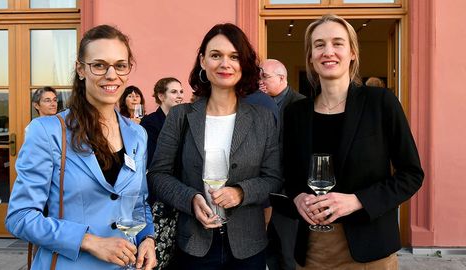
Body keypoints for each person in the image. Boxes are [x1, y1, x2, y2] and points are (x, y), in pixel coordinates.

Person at [5, 25, 156, 269]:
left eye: (120, 65)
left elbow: (138, 203)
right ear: (80, 69)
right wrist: (89, 241)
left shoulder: (137, 134)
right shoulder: (48, 131)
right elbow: (20, 217)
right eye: (99, 65)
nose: (111, 75)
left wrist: (147, 237)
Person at [283, 14, 424, 269]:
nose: (328, 52)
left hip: (372, 251)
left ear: (352, 54)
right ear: (311, 57)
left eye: (338, 43)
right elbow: (289, 177)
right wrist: (297, 198)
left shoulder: (380, 103)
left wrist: (357, 200)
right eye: (319, 45)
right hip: (313, 251)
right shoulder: (296, 113)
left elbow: (411, 175)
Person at [148, 23, 282, 269]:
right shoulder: (181, 116)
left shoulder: (261, 118)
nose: (225, 64)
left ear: (244, 64)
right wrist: (190, 198)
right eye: (216, 55)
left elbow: (273, 177)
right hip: (194, 245)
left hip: (248, 246)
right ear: (202, 61)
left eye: (234, 56)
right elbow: (158, 175)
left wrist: (241, 192)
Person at [259, 59, 305, 270]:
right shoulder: (257, 103)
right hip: (263, 189)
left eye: (265, 77)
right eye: (259, 76)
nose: (260, 81)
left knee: (289, 254)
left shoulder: (301, 105)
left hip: (289, 192)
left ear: (282, 78)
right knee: (270, 251)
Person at [140, 77, 184, 168]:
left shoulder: (185, 120)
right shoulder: (149, 122)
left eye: (181, 91)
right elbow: (152, 158)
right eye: (174, 92)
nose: (180, 96)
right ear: (161, 96)